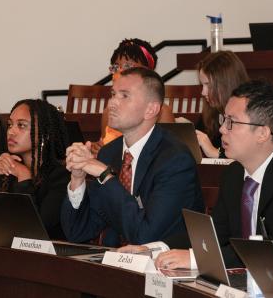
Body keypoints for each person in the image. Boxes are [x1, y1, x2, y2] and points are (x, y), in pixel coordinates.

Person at [120, 80, 273, 268]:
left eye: (231, 122)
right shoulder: (233, 173)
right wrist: (155, 249)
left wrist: (195, 259)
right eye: (224, 120)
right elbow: (216, 234)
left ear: (262, 133)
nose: (222, 130)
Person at [62, 67, 204, 247]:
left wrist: (106, 176)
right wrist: (77, 179)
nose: (112, 103)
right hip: (115, 263)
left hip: (161, 267)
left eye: (124, 96)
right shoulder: (109, 152)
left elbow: (145, 236)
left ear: (151, 110)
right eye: (113, 94)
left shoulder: (174, 160)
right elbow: (78, 232)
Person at [0, 99, 70, 239]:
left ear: (45, 135)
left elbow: (33, 232)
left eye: (21, 125)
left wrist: (24, 176)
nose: (11, 131)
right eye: (10, 125)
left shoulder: (61, 177)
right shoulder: (6, 171)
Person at [91, 38, 174, 155]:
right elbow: (108, 148)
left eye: (128, 66)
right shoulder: (109, 111)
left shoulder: (162, 112)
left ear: (146, 72)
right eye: (115, 67)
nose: (120, 72)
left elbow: (167, 153)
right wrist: (101, 150)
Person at [195, 51, 249, 158]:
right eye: (202, 85)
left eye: (208, 85)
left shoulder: (249, 112)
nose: (203, 92)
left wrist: (215, 153)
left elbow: (249, 157)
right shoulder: (213, 110)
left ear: (226, 83)